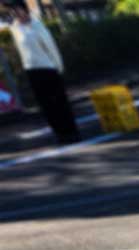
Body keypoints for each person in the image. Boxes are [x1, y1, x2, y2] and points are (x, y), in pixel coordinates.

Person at [4, 0, 79, 145]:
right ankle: (59, 133)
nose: (15, 13)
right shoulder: (15, 28)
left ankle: (71, 131)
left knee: (59, 102)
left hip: (48, 68)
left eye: (17, 10)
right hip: (31, 70)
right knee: (46, 105)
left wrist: (59, 66)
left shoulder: (37, 25)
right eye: (13, 11)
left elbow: (51, 47)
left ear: (25, 10)